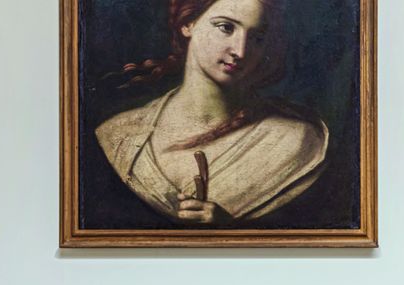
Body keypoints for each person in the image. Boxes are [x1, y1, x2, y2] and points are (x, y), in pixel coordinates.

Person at [95, 0, 328, 225]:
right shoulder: (118, 135)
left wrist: (229, 231)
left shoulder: (295, 143)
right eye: (226, 27)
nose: (240, 50)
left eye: (257, 38)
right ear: (188, 24)